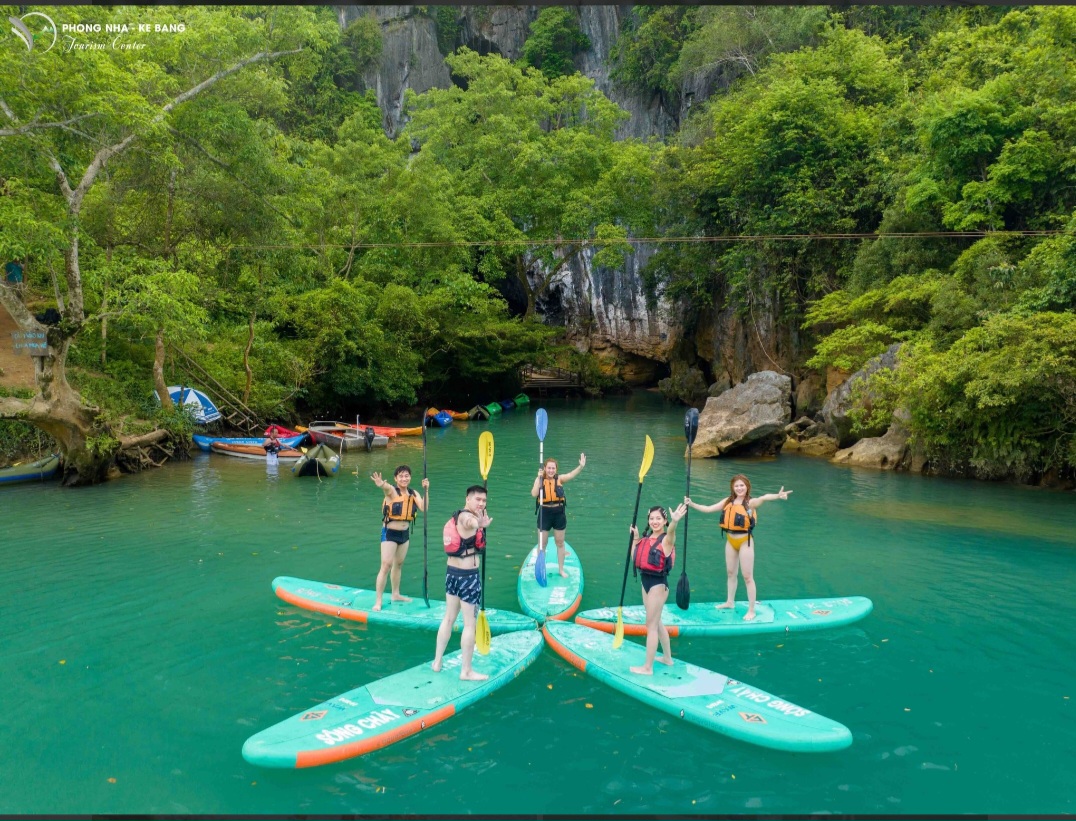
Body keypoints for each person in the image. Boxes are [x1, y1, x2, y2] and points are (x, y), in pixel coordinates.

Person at [685, 474, 793, 621]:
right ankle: (730, 602)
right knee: (730, 573)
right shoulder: (728, 501)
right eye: (736, 486)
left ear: (747, 486)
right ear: (732, 488)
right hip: (730, 540)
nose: (739, 488)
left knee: (747, 577)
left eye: (742, 485)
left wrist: (777, 496)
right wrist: (691, 504)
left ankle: (751, 610)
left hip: (745, 541)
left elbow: (763, 498)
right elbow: (708, 509)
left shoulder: (750, 503)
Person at [433, 485, 491, 682]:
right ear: (468, 499)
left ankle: (437, 662)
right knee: (469, 624)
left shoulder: (458, 516)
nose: (481, 503)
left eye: (484, 500)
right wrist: (479, 523)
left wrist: (480, 522)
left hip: (452, 575)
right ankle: (466, 671)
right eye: (478, 500)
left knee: (449, 618)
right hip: (467, 578)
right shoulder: (466, 517)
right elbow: (470, 522)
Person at [628, 502, 688, 676]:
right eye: (652, 518)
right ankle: (667, 658)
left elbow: (671, 533)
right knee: (657, 622)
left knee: (651, 626)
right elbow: (635, 557)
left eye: (658, 519)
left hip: (658, 585)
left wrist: (675, 522)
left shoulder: (666, 540)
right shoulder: (646, 539)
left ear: (664, 521)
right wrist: (636, 538)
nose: (655, 521)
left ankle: (647, 668)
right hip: (645, 582)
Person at [370, 465, 429, 611]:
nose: (404, 478)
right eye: (401, 476)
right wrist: (381, 484)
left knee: (399, 564)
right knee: (386, 565)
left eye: (407, 475)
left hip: (405, 533)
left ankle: (395, 594)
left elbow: (424, 508)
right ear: (396, 478)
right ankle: (378, 601)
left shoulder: (413, 493)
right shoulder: (392, 492)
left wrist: (426, 490)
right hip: (390, 533)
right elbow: (387, 488)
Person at [530, 454, 586, 577]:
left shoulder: (559, 479)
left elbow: (571, 474)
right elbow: (534, 494)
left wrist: (581, 467)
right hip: (544, 513)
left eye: (553, 468)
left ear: (556, 469)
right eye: (548, 468)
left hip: (559, 514)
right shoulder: (539, 479)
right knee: (542, 545)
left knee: (560, 543)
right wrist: (538, 480)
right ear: (544, 468)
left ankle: (561, 569)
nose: (551, 470)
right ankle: (541, 570)